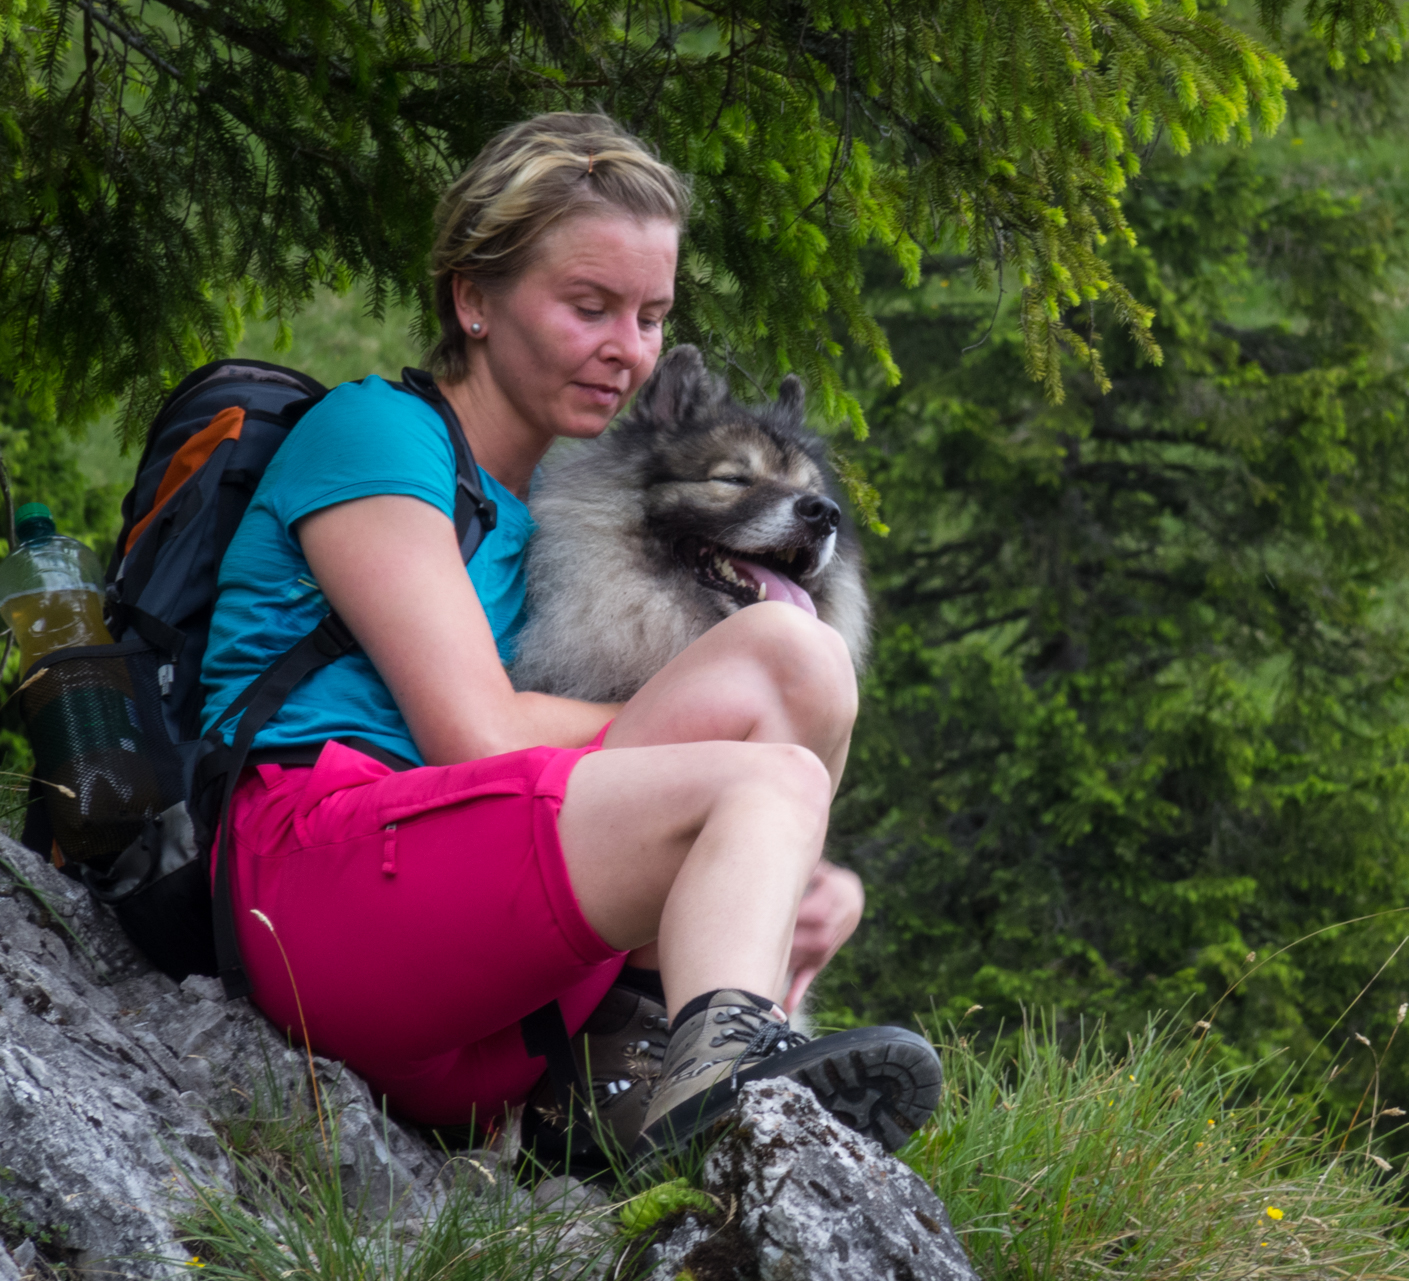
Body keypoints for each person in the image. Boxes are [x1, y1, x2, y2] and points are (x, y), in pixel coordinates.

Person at [196, 112, 940, 1157]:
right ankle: (718, 1076)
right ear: (474, 299)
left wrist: (758, 870)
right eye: (588, 306)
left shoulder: (548, 495)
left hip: (496, 986)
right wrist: (736, 780)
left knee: (794, 697)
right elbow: (478, 737)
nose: (625, 351)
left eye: (649, 315)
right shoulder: (377, 436)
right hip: (324, 902)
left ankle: (638, 1068)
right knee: (770, 742)